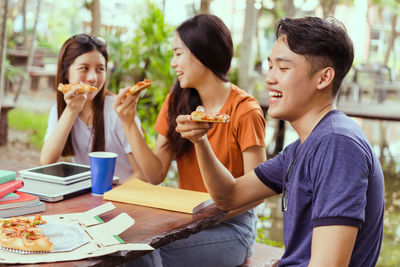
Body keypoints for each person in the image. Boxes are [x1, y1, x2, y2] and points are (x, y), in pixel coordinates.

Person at [176, 16, 385, 266]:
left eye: (283, 68)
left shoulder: (337, 144)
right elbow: (228, 196)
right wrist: (201, 140)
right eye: (270, 66)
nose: (269, 78)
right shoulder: (301, 148)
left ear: (323, 78)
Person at [114, 14, 267, 266]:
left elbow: (258, 193)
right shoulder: (177, 102)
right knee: (122, 245)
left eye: (178, 53)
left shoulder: (245, 111)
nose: (173, 63)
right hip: (186, 219)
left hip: (232, 228)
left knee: (141, 255)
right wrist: (128, 121)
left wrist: (208, 215)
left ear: (202, 53)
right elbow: (155, 174)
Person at [41, 34, 143, 182]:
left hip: (123, 195)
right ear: (66, 72)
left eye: (100, 69)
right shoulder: (60, 109)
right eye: (84, 68)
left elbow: (142, 174)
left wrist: (108, 196)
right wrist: (71, 111)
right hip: (90, 195)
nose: (93, 78)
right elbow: (47, 162)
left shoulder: (116, 110)